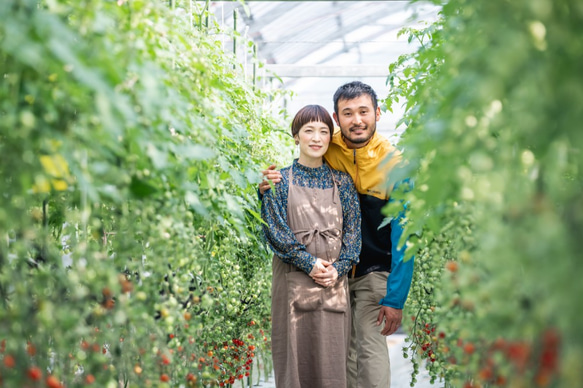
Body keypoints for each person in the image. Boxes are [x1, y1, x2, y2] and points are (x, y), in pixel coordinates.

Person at [260, 81, 414, 388]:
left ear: (378, 113)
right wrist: (266, 184)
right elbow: (301, 163)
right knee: (342, 353)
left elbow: (405, 237)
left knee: (368, 346)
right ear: (338, 120)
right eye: (348, 113)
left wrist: (395, 297)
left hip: (371, 269)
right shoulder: (331, 149)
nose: (356, 120)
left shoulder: (396, 166)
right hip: (331, 274)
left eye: (363, 112)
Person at [261, 104, 362, 388]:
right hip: (292, 282)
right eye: (309, 131)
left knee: (333, 362)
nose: (316, 138)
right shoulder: (278, 182)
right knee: (294, 363)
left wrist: (337, 269)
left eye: (323, 131)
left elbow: (354, 238)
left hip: (333, 283)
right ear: (296, 136)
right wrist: (311, 264)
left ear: (331, 137)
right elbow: (276, 233)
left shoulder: (343, 183)